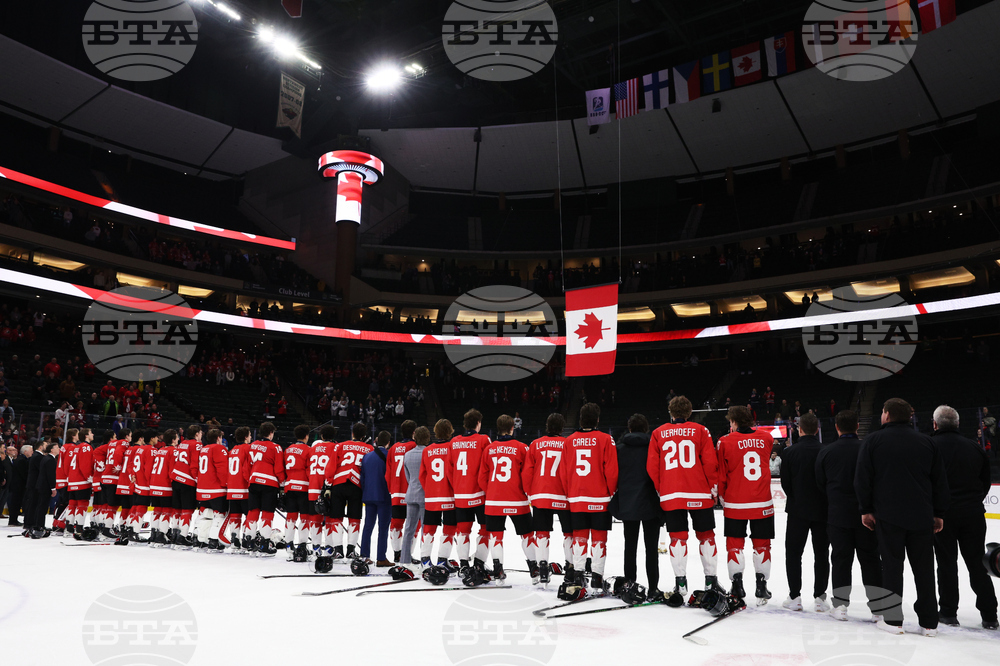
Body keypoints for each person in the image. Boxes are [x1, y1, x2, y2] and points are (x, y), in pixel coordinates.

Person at [855, 398, 949, 636]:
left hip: (888, 516)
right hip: (921, 516)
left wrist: (865, 509)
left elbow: (862, 479)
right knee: (925, 569)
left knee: (892, 567)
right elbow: (939, 482)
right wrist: (939, 513)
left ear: (886, 414)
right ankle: (929, 623)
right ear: (909, 416)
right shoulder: (927, 442)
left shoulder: (873, 441)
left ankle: (893, 620)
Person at [930, 405, 998, 629]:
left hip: (943, 515)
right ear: (958, 424)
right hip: (972, 513)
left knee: (946, 563)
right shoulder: (973, 447)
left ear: (935, 424)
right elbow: (985, 482)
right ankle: (989, 614)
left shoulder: (930, 446)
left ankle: (948, 612)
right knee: (978, 563)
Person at [647, 396, 720, 597]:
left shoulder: (658, 433)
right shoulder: (701, 431)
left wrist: (661, 489)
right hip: (699, 492)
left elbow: (652, 467)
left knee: (677, 538)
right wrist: (713, 490)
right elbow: (710, 463)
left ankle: (680, 584)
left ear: (671, 412)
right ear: (689, 413)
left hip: (671, 494)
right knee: (706, 536)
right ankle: (710, 582)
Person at [815, 410, 883, 621]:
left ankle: (841, 606)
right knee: (871, 561)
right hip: (867, 515)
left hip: (838, 516)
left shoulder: (827, 451)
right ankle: (878, 610)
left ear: (837, 427)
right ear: (856, 426)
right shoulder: (869, 448)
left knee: (841, 560)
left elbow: (820, 484)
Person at [717, 405, 775, 604]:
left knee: (734, 545)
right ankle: (761, 586)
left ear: (733, 422)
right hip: (762, 501)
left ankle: (737, 585)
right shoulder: (767, 438)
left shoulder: (724, 442)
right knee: (762, 545)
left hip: (735, 502)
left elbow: (722, 475)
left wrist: (722, 497)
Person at [471, 414, 536, 584]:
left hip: (494, 501)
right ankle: (535, 571)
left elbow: (481, 478)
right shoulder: (522, 447)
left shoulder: (488, 449)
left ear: (497, 429)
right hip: (517, 500)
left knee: (496, 536)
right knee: (527, 535)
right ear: (512, 428)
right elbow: (527, 475)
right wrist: (525, 492)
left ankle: (498, 571)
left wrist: (492, 491)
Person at [561, 402, 619, 590]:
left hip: (577, 497)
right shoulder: (606, 439)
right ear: (598, 420)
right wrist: (611, 492)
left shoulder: (569, 441)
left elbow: (563, 472)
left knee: (579, 537)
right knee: (599, 538)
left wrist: (570, 492)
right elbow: (611, 471)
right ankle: (597, 578)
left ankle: (578, 576)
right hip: (600, 498)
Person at [779, 412, 830, 612]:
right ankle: (820, 597)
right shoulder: (825, 450)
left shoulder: (789, 453)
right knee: (822, 554)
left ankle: (795, 596)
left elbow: (786, 484)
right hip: (822, 511)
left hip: (797, 510)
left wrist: (796, 498)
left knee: (793, 554)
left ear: (799, 430)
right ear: (817, 430)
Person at [611, 413, 662, 598]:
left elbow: (614, 477)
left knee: (629, 547)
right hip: (651, 504)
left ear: (630, 428)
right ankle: (653, 588)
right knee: (651, 549)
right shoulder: (653, 449)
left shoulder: (619, 449)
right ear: (646, 429)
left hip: (627, 503)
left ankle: (630, 584)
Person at [523, 413, 573, 585]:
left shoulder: (535, 444)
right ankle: (570, 570)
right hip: (562, 494)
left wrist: (530, 493)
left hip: (541, 494)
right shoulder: (567, 443)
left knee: (542, 534)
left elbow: (527, 472)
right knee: (569, 533)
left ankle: (542, 569)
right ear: (562, 428)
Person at [323, 422, 373, 559]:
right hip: (356, 486)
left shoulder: (340, 446)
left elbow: (331, 466)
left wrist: (328, 485)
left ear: (352, 434)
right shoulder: (369, 448)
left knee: (336, 518)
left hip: (338, 483)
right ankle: (351, 550)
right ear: (364, 436)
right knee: (354, 519)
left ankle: (338, 550)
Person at [449, 409, 491, 572]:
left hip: (460, 494)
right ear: (478, 423)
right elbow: (489, 466)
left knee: (462, 530)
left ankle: (464, 565)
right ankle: (479, 564)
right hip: (480, 494)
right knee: (485, 528)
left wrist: (457, 487)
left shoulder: (454, 442)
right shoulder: (483, 440)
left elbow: (449, 469)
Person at [417, 419, 458, 569]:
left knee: (428, 529)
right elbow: (453, 473)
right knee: (449, 529)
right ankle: (442, 561)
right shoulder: (453, 448)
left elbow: (422, 475)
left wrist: (430, 490)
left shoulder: (427, 450)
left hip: (432, 496)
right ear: (450, 431)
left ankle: (424, 561)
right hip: (449, 495)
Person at [247, 422, 285, 555]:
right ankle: (264, 544)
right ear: (271, 433)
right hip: (269, 483)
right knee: (267, 514)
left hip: (253, 481)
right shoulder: (275, 447)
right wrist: (282, 483)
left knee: (253, 512)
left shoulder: (252, 446)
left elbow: (247, 466)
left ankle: (250, 542)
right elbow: (279, 468)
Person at [360, 430, 392, 566]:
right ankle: (381, 557)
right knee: (383, 528)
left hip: (368, 495)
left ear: (376, 440)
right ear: (388, 443)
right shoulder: (389, 456)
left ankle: (364, 556)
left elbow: (362, 478)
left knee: (368, 526)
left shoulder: (366, 457)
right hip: (384, 496)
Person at [386, 420, 416, 563]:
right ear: (414, 433)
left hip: (396, 493)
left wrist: (392, 489)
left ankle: (397, 554)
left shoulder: (393, 448)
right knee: (413, 526)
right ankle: (407, 555)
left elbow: (388, 473)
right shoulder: (415, 446)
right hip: (412, 493)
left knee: (396, 525)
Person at [401, 426, 431, 569]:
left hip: (411, 493)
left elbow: (408, 477)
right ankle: (424, 560)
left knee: (408, 529)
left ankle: (404, 560)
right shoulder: (429, 453)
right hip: (425, 495)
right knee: (426, 529)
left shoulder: (407, 455)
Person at [195, 428, 228, 551]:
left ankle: (201, 540)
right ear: (218, 438)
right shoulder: (219, 448)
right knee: (219, 515)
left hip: (203, 489)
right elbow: (222, 470)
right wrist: (226, 484)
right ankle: (214, 541)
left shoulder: (204, 449)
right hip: (216, 489)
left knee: (206, 514)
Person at [281, 425, 311, 559]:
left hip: (290, 485)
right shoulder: (308, 450)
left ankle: (289, 545)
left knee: (291, 517)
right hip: (304, 486)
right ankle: (303, 545)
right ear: (306, 436)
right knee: (304, 517)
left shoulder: (287, 450)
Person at [169, 425, 202, 547]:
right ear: (197, 434)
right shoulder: (197, 445)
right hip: (187, 480)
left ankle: (175, 533)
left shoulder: (182, 444)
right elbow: (194, 465)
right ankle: (182, 536)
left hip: (176, 478)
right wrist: (198, 480)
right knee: (187, 509)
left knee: (177, 509)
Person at [307, 425, 337, 557]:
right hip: (327, 488)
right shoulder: (335, 448)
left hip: (313, 486)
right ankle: (329, 548)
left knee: (315, 519)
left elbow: (308, 468)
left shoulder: (312, 449)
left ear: (322, 436)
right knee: (329, 519)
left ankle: (315, 547)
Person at [224, 426, 252, 552]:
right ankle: (247, 539)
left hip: (232, 488)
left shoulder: (233, 450)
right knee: (249, 514)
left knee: (235, 515)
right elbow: (247, 469)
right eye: (250, 435)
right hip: (243, 487)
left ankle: (234, 540)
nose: (251, 437)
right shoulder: (248, 448)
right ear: (246, 437)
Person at [147, 429, 175, 547]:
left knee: (157, 509)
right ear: (173, 440)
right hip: (165, 485)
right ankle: (161, 535)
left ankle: (153, 535)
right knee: (166, 510)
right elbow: (172, 471)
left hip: (154, 484)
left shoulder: (160, 450)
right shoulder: (173, 451)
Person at [31, 440, 61, 537]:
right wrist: (53, 488)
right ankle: (39, 525)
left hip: (42, 486)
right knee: (42, 507)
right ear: (52, 450)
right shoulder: (50, 460)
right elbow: (50, 475)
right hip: (45, 487)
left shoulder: (46, 458)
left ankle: (38, 524)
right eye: (57, 447)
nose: (59, 449)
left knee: (41, 507)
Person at [22, 442, 42, 536]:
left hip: (32, 484)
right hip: (34, 484)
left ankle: (29, 522)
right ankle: (29, 523)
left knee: (31, 503)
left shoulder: (35, 456)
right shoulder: (37, 456)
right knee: (32, 504)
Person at [8, 444, 29, 526]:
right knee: (16, 503)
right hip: (18, 486)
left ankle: (13, 519)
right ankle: (13, 520)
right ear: (25, 452)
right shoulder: (21, 460)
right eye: (30, 451)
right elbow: (23, 474)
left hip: (18, 485)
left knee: (16, 503)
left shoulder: (21, 459)